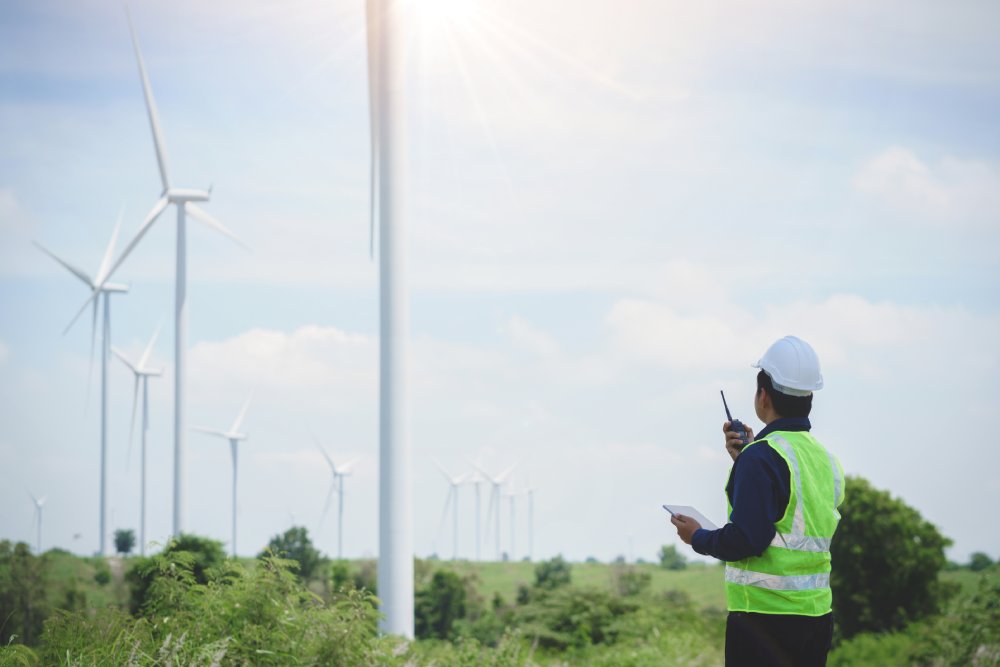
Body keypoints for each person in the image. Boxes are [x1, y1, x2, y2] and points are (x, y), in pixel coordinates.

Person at [671, 335, 845, 667]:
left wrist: (697, 536)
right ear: (809, 397)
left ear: (763, 395)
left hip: (764, 620)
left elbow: (747, 539)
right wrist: (747, 459)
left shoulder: (761, 458)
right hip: (816, 619)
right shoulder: (825, 459)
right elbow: (790, 513)